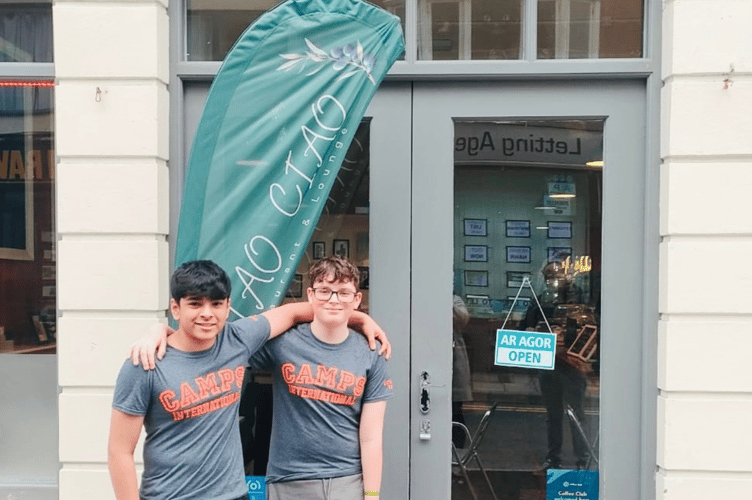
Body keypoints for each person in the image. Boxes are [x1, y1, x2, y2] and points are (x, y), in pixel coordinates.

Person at [109, 260, 388, 500]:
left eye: (216, 304)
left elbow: (294, 312)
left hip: (232, 493)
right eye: (195, 304)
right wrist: (156, 328)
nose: (207, 313)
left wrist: (359, 319)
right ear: (176, 307)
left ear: (228, 307)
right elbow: (120, 451)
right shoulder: (145, 362)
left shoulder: (237, 341)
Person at [249, 256, 391, 499]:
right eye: (325, 291)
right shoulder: (283, 342)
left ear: (357, 299)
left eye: (344, 293)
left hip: (346, 480)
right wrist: (161, 329)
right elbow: (229, 343)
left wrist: (372, 495)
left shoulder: (371, 353)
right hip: (289, 480)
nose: (334, 300)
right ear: (311, 295)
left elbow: (371, 437)